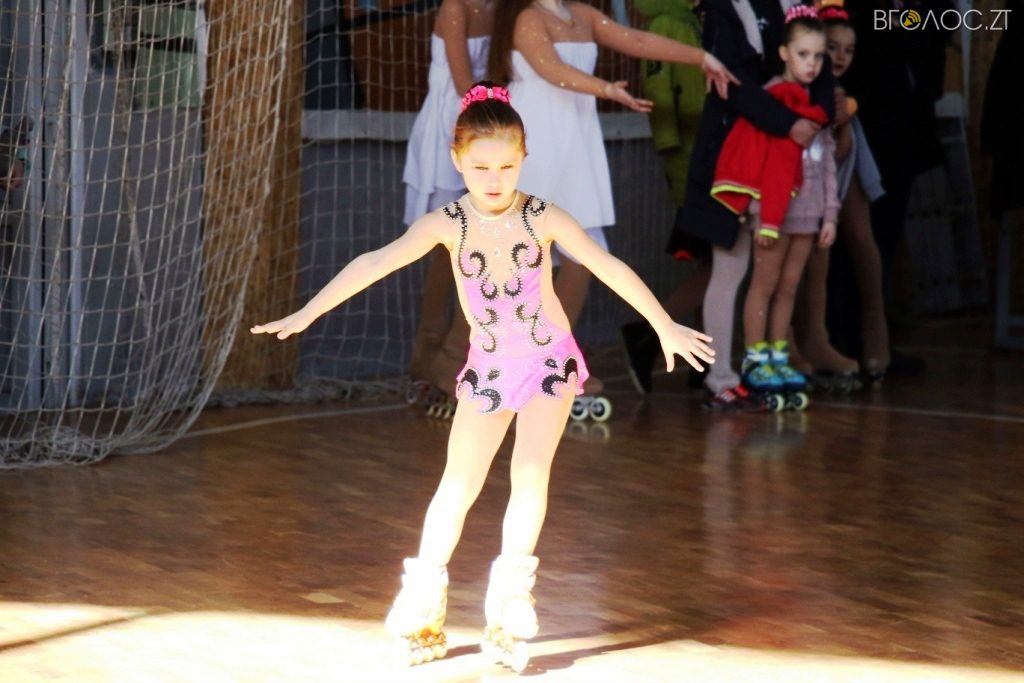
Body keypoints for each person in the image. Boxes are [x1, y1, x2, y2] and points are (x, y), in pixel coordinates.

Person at [250, 83, 715, 671]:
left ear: (523, 157)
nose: (494, 180)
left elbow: (606, 264)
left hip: (548, 363)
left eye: (506, 167)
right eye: (480, 168)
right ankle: (423, 598)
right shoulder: (447, 224)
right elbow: (375, 262)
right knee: (458, 483)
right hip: (490, 369)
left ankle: (511, 600)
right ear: (457, 160)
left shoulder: (542, 217)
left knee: (530, 474)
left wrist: (663, 323)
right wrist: (308, 312)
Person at [488, 0, 735, 400]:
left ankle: (547, 360)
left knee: (581, 259)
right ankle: (509, 363)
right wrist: (606, 90)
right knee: (524, 263)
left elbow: (636, 40)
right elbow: (552, 70)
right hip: (535, 145)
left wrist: (701, 57)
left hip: (573, 144)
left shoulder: (581, 14)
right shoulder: (527, 17)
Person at [725, 5, 835, 410]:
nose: (812, 64)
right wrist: (760, 210)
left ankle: (776, 355)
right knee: (765, 284)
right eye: (803, 54)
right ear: (785, 53)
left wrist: (830, 214)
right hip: (773, 215)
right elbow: (760, 160)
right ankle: (755, 359)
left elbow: (827, 166)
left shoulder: (817, 106)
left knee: (790, 286)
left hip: (807, 213)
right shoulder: (771, 101)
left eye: (818, 56)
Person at [790, 0, 889, 389]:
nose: (840, 57)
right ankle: (800, 341)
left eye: (848, 50)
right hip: (810, 166)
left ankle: (872, 331)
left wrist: (845, 119)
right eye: (832, 49)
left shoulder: (840, 92)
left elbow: (843, 147)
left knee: (857, 237)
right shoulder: (800, 86)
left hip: (839, 162)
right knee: (807, 252)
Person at [403, 0, 493, 412]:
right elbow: (464, 85)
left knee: (478, 247)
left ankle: (465, 353)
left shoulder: (509, 10)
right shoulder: (455, 8)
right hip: (452, 130)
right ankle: (428, 356)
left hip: (485, 131)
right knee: (447, 243)